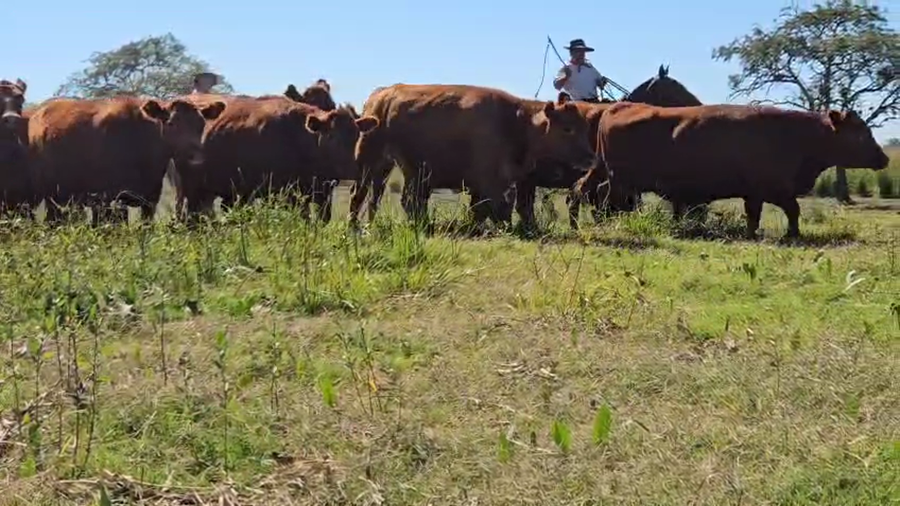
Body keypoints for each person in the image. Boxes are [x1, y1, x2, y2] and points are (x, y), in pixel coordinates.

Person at [553, 39, 608, 103]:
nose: (581, 54)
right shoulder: (566, 68)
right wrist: (565, 77)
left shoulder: (590, 68)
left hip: (593, 102)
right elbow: (557, 86)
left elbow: (600, 84)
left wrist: (602, 82)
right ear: (571, 53)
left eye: (583, 52)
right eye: (578, 51)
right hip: (575, 104)